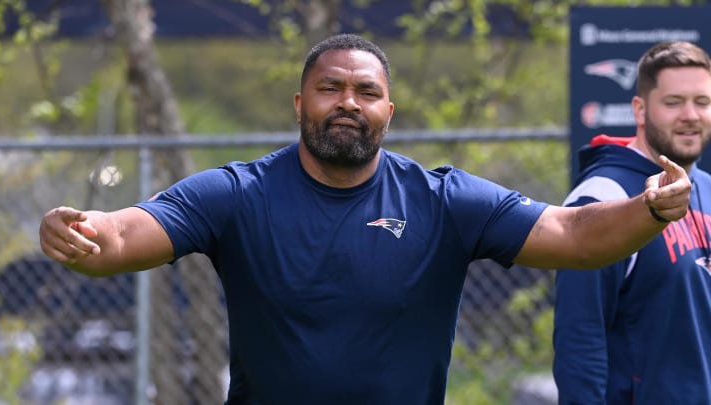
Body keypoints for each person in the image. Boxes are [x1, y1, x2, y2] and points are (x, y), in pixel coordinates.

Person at [39, 34, 691, 405]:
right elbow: (125, 232)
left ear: (389, 111)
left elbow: (574, 237)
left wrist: (649, 208)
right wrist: (81, 232)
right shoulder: (238, 193)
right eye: (331, 88)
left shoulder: (442, 200)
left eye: (366, 91)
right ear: (301, 103)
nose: (348, 101)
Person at [553, 41, 711, 404]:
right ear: (640, 110)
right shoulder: (602, 197)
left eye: (701, 102)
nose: (691, 114)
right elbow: (579, 341)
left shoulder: (706, 188)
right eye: (673, 102)